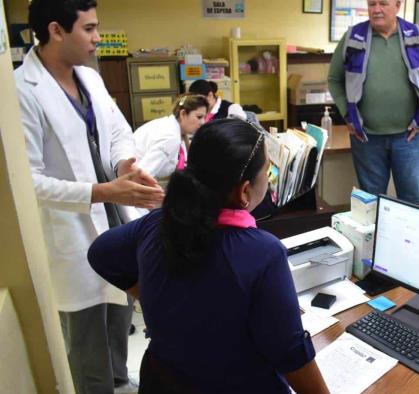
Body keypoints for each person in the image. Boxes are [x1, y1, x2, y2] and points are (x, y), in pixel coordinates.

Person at [88, 119, 330, 394]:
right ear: (244, 191)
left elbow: (101, 253)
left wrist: (154, 297)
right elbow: (291, 354)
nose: (270, 178)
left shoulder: (157, 224)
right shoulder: (263, 253)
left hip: (163, 381)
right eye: (268, 171)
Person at [14, 0, 164, 393]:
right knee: (85, 333)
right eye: (89, 29)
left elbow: (117, 131)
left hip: (113, 213)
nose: (99, 38)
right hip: (70, 224)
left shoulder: (90, 77)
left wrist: (125, 167)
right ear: (56, 30)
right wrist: (101, 191)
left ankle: (118, 380)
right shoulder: (20, 90)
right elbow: (29, 181)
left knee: (119, 311)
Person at [328, 0, 419, 206]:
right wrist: (347, 114)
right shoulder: (353, 37)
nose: (376, 9)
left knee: (412, 199)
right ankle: (375, 239)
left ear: (398, 6)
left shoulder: (416, 36)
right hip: (366, 137)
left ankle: (409, 239)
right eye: (372, 4)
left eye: (383, 3)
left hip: (407, 137)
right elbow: (334, 80)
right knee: (371, 201)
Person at [133, 94, 208, 180]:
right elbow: (142, 174)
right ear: (183, 114)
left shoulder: (169, 126)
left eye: (204, 117)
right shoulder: (170, 137)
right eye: (199, 117)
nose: (202, 122)